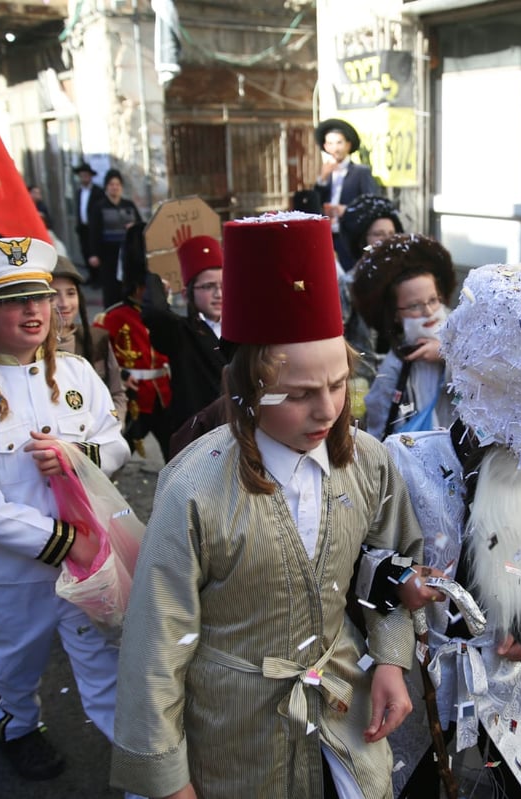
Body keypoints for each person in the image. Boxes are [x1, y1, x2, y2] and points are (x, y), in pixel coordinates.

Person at [111, 211, 423, 799]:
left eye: (337, 385)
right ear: (248, 388)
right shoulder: (195, 487)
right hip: (233, 731)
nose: (328, 411)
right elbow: (156, 642)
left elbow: (392, 559)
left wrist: (389, 657)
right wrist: (166, 778)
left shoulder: (368, 461)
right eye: (300, 394)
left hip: (339, 705)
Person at [384, 262, 521, 799]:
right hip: (419, 685)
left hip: (510, 687)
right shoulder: (408, 461)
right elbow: (365, 566)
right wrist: (399, 599)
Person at [0, 237, 132, 783]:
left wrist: (76, 456)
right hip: (11, 573)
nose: (34, 310)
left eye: (40, 297)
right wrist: (67, 540)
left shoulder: (76, 374)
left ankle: (151, 776)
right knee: (17, 665)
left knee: (105, 665)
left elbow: (116, 445)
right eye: (13, 300)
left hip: (87, 562)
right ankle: (18, 726)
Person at [351, 233, 457, 439]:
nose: (428, 311)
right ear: (396, 315)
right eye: (414, 306)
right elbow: (380, 431)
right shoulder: (394, 367)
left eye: (433, 300)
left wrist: (449, 354)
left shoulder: (469, 339)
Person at [141, 233, 233, 443]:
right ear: (186, 293)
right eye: (208, 287)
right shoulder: (182, 332)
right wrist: (156, 280)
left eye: (223, 284)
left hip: (238, 432)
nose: (219, 293)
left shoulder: (241, 328)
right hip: (198, 434)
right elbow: (155, 313)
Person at [95, 225, 172, 458]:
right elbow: (96, 363)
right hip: (132, 398)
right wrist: (120, 378)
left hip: (164, 396)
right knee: (115, 455)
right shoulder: (111, 318)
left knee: (177, 453)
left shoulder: (167, 317)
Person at [51, 255, 127, 426]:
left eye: (71, 293)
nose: (64, 303)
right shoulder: (29, 348)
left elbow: (117, 394)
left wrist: (112, 431)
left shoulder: (96, 339)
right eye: (54, 295)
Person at [314, 118, 379, 267]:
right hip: (328, 236)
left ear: (348, 145)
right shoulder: (326, 172)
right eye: (330, 143)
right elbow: (314, 204)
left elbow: (371, 204)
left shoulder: (361, 172)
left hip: (350, 237)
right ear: (325, 146)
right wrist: (321, 179)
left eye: (339, 143)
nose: (335, 148)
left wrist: (347, 210)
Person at [86, 168, 142, 307]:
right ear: (106, 187)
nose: (115, 187)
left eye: (117, 184)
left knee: (128, 288)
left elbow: (140, 226)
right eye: (111, 184)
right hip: (108, 255)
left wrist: (133, 227)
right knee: (111, 290)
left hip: (128, 254)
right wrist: (93, 254)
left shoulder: (129, 205)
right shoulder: (99, 207)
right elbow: (94, 231)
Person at [72, 161, 105, 270]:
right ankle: (91, 275)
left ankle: (98, 277)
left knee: (95, 252)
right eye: (82, 176)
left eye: (86, 176)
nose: (84, 178)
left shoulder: (98, 192)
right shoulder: (79, 192)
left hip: (94, 227)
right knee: (85, 251)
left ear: (90, 177)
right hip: (83, 227)